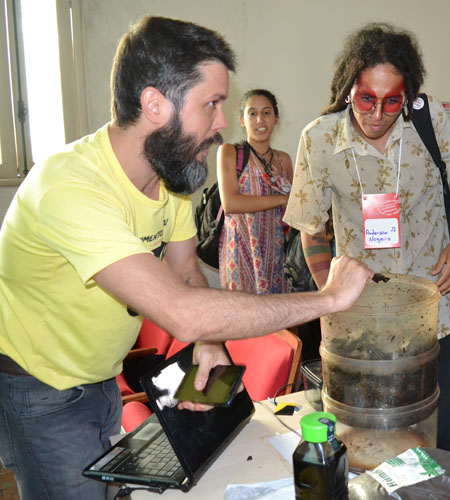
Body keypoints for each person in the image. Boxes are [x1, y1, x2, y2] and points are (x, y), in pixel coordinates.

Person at [0, 16, 371, 500]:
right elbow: (183, 312)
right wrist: (329, 298)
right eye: (212, 104)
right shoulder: (68, 187)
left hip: (99, 378)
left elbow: (185, 273)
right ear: (155, 104)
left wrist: (210, 343)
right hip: (42, 389)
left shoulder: (168, 179)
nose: (222, 123)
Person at [283, 22, 450, 455]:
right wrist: (329, 299)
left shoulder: (428, 119)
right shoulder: (319, 139)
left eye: (392, 101)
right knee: (372, 441)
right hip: (363, 320)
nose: (377, 113)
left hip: (433, 311)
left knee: (443, 437)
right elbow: (311, 229)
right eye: (367, 98)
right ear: (348, 86)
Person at [217, 89, 292, 294]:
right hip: (241, 253)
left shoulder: (284, 160)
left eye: (267, 113)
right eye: (252, 113)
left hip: (278, 256)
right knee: (245, 320)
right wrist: (281, 199)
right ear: (242, 120)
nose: (260, 120)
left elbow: (293, 210)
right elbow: (231, 203)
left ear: (276, 119)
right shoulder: (230, 152)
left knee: (280, 320)